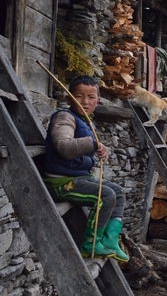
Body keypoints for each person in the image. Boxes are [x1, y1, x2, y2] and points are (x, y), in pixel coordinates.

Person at [43, 75, 128, 262]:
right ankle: (91, 243)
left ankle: (110, 242)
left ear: (98, 101)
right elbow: (64, 146)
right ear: (68, 98)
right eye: (79, 96)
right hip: (60, 182)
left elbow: (87, 144)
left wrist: (99, 147)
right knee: (105, 196)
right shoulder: (64, 117)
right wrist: (92, 143)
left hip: (78, 179)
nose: (85, 102)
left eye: (91, 97)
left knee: (118, 192)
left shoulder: (86, 122)